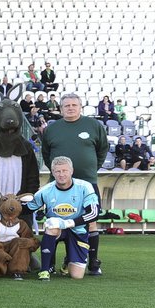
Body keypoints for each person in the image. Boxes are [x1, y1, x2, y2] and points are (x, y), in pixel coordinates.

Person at [41, 93, 108, 275]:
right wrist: (60, 173)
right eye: (66, 105)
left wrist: (92, 167)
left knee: (91, 222)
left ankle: (93, 262)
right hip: (59, 186)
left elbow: (103, 149)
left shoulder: (94, 125)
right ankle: (50, 265)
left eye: (74, 105)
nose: (70, 108)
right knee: (54, 221)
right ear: (60, 109)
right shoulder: (52, 129)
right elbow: (46, 154)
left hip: (87, 182)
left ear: (80, 107)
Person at [29, 157, 99, 281]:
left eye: (65, 170)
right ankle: (45, 270)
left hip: (78, 230)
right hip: (57, 230)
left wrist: (68, 223)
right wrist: (8, 206)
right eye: (57, 171)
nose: (61, 174)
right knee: (52, 226)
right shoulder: (45, 191)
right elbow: (27, 208)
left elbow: (94, 213)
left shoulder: (85, 187)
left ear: (72, 171)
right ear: (52, 172)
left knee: (77, 276)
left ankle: (68, 261)